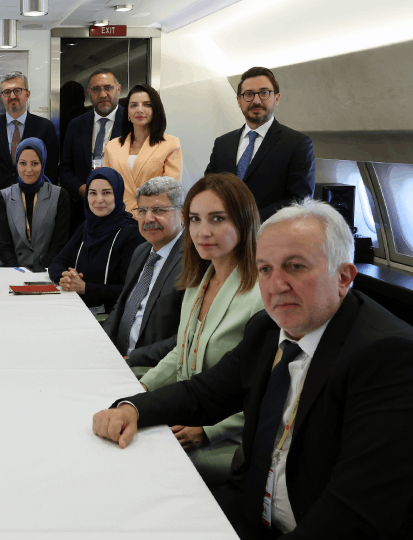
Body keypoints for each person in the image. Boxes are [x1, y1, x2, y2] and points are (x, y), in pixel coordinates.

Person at [93, 199, 413, 540]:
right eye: (265, 269)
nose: (276, 285)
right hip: (251, 513)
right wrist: (132, 408)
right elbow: (205, 393)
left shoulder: (387, 356)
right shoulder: (267, 329)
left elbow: (353, 512)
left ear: (343, 277)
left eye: (295, 266)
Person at [134, 173, 264, 482]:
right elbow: (182, 351)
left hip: (229, 439)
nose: (203, 231)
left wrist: (207, 430)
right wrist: (144, 389)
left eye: (217, 218)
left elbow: (265, 389)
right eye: (195, 219)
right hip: (186, 411)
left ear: (244, 221)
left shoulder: (261, 297)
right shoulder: (198, 281)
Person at [0, 71, 59, 265]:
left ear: (27, 94)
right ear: (1, 97)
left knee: (31, 263)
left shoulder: (45, 127)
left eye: (17, 90)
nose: (12, 96)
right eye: (7, 92)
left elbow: (52, 172)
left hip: (34, 209)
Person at [205, 66, 316, 220]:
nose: (256, 101)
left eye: (264, 93)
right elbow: (208, 188)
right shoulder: (222, 144)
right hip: (223, 230)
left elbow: (299, 200)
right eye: (248, 94)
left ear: (277, 98)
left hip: (269, 232)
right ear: (239, 100)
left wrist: (247, 221)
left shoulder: (297, 144)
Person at [102, 176, 186, 369]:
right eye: (142, 210)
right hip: (116, 360)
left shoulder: (193, 261)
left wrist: (132, 360)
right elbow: (121, 308)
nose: (148, 219)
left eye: (159, 210)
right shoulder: (141, 251)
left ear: (182, 214)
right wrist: (101, 344)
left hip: (149, 370)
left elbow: (187, 337)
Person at [48, 167, 145, 314]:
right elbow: (56, 263)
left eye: (106, 193)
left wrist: (85, 288)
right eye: (93, 193)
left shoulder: (131, 234)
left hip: (110, 318)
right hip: (77, 309)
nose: (99, 200)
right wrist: (65, 277)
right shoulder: (86, 227)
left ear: (118, 194)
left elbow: (131, 290)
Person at [61, 69, 127, 231]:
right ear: (89, 93)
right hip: (83, 212)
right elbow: (65, 168)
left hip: (122, 210)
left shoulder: (131, 123)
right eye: (96, 89)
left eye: (108, 88)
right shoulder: (76, 125)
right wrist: (81, 189)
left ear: (119, 89)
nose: (103, 94)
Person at [102, 84, 182, 212]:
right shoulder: (112, 146)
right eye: (133, 105)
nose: (139, 110)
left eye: (147, 105)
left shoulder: (171, 144)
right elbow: (105, 185)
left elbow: (170, 190)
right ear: (127, 112)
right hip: (118, 216)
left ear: (155, 109)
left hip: (153, 215)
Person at [0, 137, 70, 270]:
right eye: (23, 163)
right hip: (12, 271)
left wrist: (39, 271)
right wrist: (17, 272)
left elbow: (59, 244)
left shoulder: (60, 196)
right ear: (16, 164)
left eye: (34, 163)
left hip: (47, 270)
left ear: (43, 163)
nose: (28, 169)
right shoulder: (3, 197)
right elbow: (4, 246)